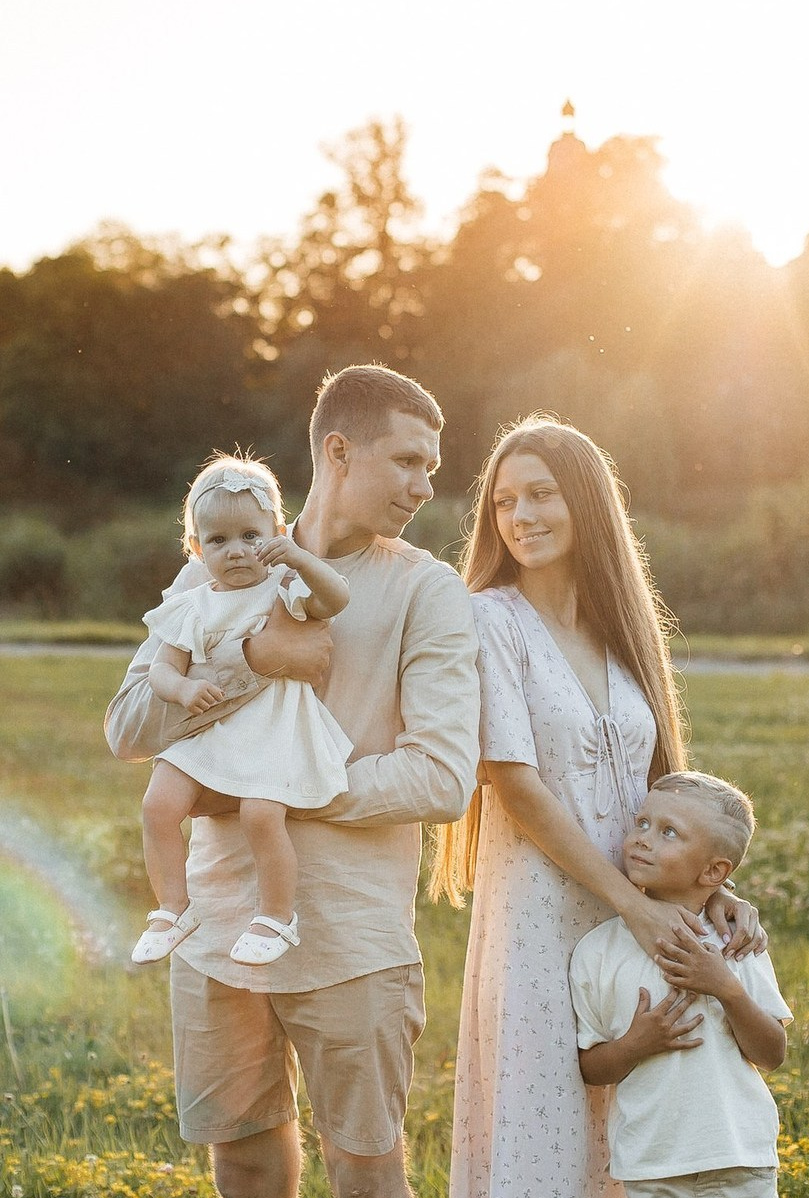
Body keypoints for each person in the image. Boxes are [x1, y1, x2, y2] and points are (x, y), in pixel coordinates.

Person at [105, 364, 480, 1198]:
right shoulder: (221, 561)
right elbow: (127, 726)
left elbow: (442, 778)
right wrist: (251, 658)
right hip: (215, 932)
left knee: (367, 1169)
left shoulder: (428, 590)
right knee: (240, 1158)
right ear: (339, 451)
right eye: (408, 462)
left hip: (351, 937)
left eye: (431, 466)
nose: (426, 486)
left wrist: (255, 786)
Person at [429, 415, 765, 1198]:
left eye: (542, 494)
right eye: (505, 501)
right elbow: (513, 784)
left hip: (640, 907)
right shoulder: (490, 618)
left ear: (586, 503)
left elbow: (669, 790)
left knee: (641, 1111)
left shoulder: (624, 632)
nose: (522, 517)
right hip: (542, 911)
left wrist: (706, 893)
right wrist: (632, 906)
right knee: (543, 1117)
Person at [130, 453, 353, 969]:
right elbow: (161, 670)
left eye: (251, 537)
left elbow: (337, 598)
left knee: (260, 814)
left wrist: (297, 559)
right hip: (211, 726)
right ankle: (172, 908)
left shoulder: (284, 590)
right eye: (218, 540)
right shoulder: (191, 604)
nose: (236, 551)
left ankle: (276, 916)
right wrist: (184, 691)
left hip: (271, 728)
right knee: (158, 804)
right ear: (195, 548)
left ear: (275, 534)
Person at [570, 772, 791, 1198]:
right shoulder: (597, 951)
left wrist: (726, 988)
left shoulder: (737, 943)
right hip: (652, 1163)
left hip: (737, 1157)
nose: (642, 839)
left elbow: (772, 1053)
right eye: (642, 823)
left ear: (714, 871)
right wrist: (636, 1044)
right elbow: (591, 1068)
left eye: (668, 832)